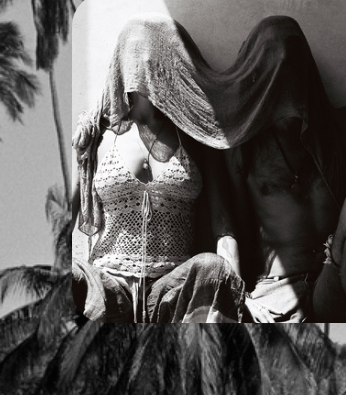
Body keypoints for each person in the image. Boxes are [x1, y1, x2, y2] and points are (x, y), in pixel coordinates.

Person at [193, 15, 346, 322]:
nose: (286, 84)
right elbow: (228, 232)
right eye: (276, 72)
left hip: (333, 283)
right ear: (259, 77)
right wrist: (235, 300)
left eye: (293, 69)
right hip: (272, 293)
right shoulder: (241, 147)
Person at [71, 17, 244, 322]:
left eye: (153, 58)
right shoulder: (98, 135)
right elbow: (71, 221)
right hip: (110, 286)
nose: (144, 69)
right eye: (135, 58)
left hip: (172, 290)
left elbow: (224, 229)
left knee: (212, 267)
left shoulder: (196, 138)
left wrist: (233, 292)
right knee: (72, 277)